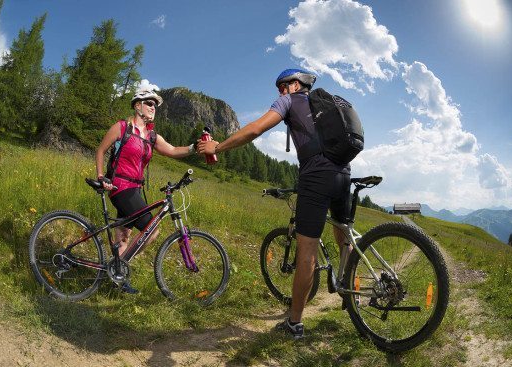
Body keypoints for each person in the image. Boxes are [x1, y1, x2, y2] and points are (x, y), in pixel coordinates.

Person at [198, 69, 352, 339]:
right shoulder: (324, 107)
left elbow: (256, 128)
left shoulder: (289, 101)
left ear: (294, 85)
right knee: (344, 234)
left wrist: (218, 148)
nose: (279, 92)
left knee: (307, 252)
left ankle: (294, 324)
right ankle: (349, 289)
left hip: (316, 176)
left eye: (282, 87)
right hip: (343, 173)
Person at [95, 86, 196, 294]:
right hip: (120, 186)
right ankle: (116, 268)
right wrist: (100, 176)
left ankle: (117, 280)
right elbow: (101, 150)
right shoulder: (122, 127)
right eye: (150, 103)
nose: (153, 108)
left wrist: (196, 147)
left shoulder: (151, 136)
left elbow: (173, 150)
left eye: (155, 105)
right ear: (137, 105)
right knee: (152, 230)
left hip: (135, 189)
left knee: (123, 237)